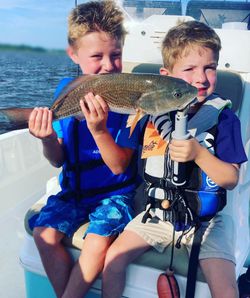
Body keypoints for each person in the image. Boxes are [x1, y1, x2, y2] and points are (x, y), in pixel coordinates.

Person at [101, 21, 248, 298]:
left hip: (208, 223)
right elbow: (119, 164)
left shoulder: (224, 118)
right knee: (113, 261)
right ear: (166, 76)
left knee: (227, 290)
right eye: (189, 69)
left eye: (210, 67)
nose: (201, 78)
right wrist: (98, 129)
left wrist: (199, 154)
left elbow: (230, 179)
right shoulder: (148, 113)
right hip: (156, 216)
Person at [28, 1, 141, 297]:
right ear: (73, 54)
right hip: (74, 192)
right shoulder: (66, 91)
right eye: (96, 56)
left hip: (114, 195)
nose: (107, 65)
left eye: (115, 55)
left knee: (96, 239)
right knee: (43, 234)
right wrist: (47, 139)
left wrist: (99, 130)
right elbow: (58, 161)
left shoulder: (131, 101)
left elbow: (119, 167)